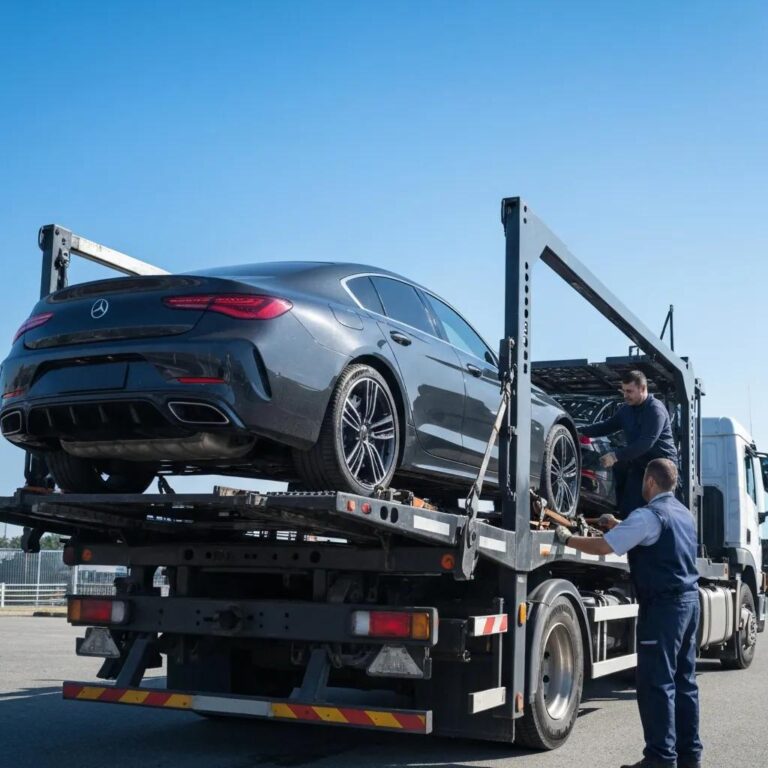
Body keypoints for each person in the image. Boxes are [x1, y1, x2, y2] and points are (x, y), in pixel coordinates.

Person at [554, 458, 702, 768]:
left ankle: (661, 759)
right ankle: (689, 757)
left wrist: (566, 538)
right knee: (684, 682)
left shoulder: (648, 515)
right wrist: (618, 524)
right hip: (689, 603)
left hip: (663, 608)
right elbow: (648, 536)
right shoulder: (683, 515)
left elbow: (605, 548)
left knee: (655, 683)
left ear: (649, 483)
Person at [580, 370, 678, 518]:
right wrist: (580, 432)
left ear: (643, 389)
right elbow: (606, 426)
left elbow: (646, 442)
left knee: (658, 512)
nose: (625, 395)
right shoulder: (626, 410)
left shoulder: (655, 410)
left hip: (662, 468)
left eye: (629, 391)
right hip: (639, 466)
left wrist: (615, 456)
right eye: (624, 391)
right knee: (630, 509)